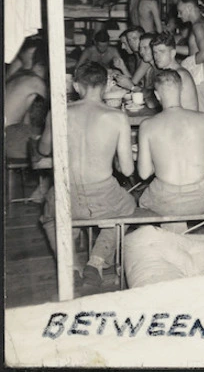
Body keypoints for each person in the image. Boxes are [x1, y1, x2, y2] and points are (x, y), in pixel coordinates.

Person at [39, 62, 136, 286]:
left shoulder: (59, 112)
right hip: (103, 195)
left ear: (76, 85)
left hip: (67, 195)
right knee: (128, 205)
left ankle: (70, 265)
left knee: (49, 217)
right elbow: (128, 170)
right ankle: (96, 261)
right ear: (105, 87)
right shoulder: (117, 117)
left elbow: (43, 150)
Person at [137, 70, 204, 231]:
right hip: (201, 198)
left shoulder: (147, 125)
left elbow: (144, 173)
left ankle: (167, 240)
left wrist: (159, 160)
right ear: (181, 90)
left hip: (166, 200)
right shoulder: (202, 118)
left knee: (144, 201)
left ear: (157, 95)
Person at [6, 41, 49, 160]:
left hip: (10, 132)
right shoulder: (35, 82)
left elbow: (24, 115)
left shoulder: (20, 75)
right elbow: (57, 103)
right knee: (50, 144)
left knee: (43, 135)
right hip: (8, 136)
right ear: (42, 66)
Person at [150, 32, 198, 111]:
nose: (156, 56)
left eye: (161, 52)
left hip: (186, 121)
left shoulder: (180, 74)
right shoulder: (169, 73)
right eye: (155, 52)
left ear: (172, 53)